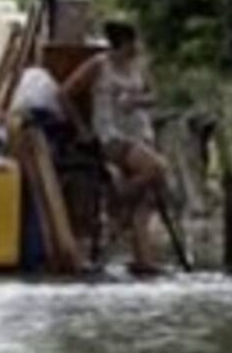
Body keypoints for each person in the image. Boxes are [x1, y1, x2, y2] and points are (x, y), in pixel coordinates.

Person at [62, 20, 168, 273]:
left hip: (139, 132)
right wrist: (82, 129)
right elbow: (65, 92)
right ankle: (118, 205)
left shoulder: (138, 67)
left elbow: (153, 96)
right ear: (124, 44)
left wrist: (137, 101)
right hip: (112, 134)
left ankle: (143, 259)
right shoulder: (99, 65)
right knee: (157, 168)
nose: (137, 47)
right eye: (134, 42)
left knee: (150, 193)